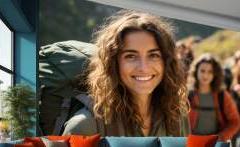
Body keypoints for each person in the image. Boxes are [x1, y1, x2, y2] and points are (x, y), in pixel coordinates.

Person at [62, 10, 190, 137]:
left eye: (154, 55)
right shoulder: (85, 126)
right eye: (131, 56)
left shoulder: (177, 116)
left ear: (166, 62)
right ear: (113, 64)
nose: (143, 68)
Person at [187, 53, 240, 142]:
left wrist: (221, 138)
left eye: (210, 72)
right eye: (202, 71)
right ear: (196, 71)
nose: (205, 75)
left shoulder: (222, 95)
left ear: (215, 74)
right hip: (191, 143)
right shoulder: (187, 95)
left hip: (214, 145)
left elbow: (235, 122)